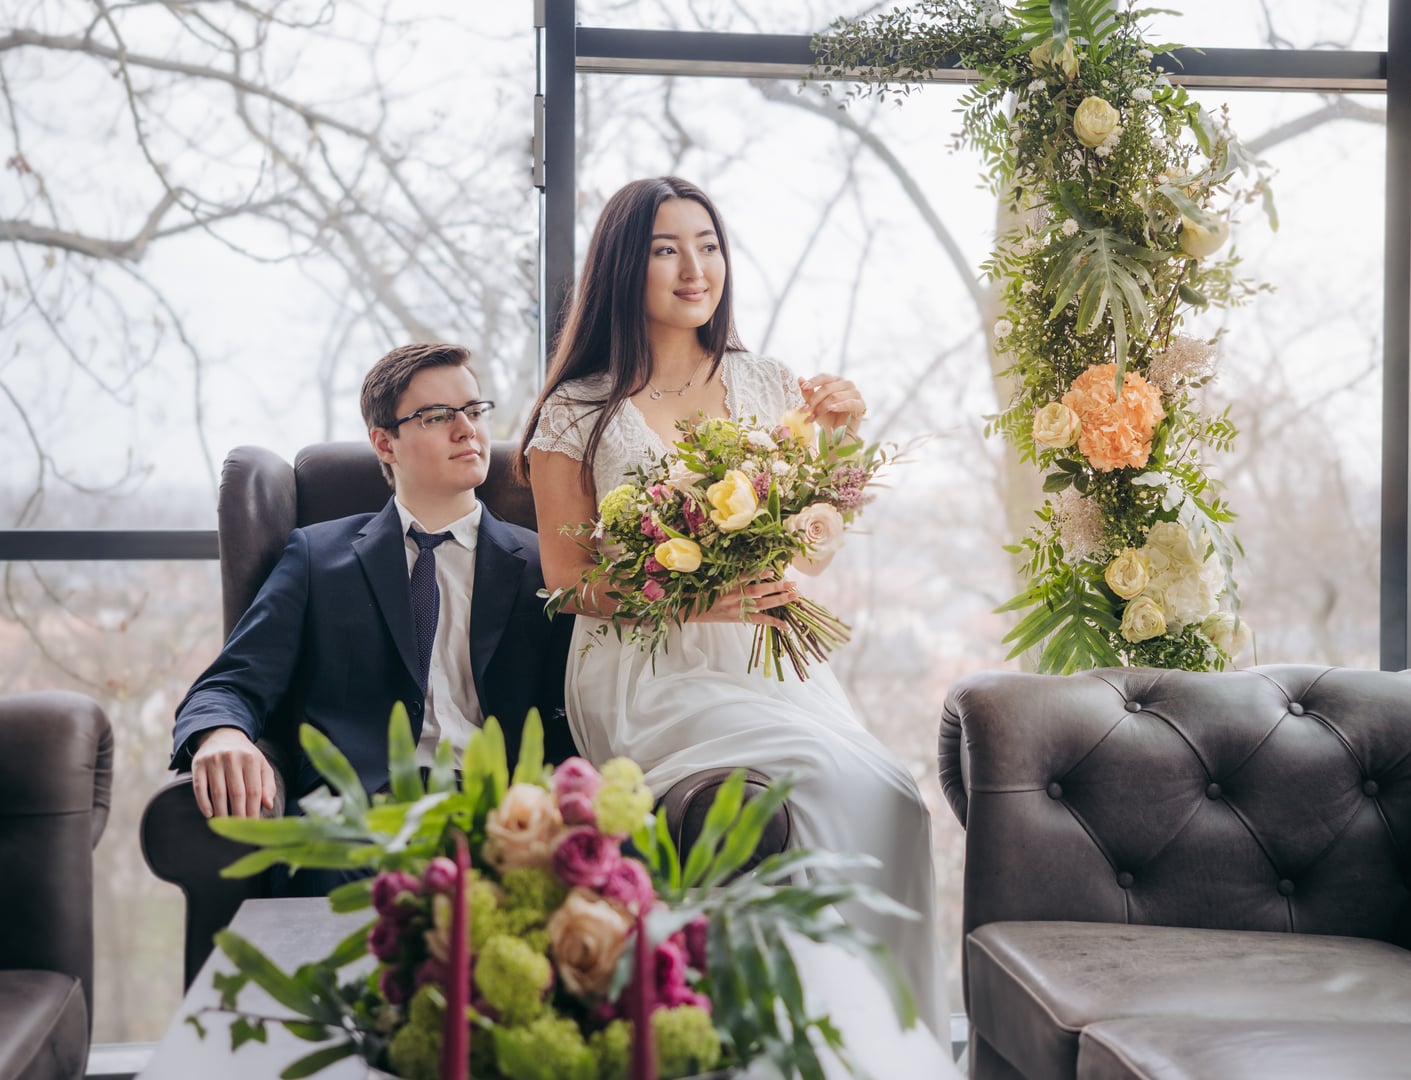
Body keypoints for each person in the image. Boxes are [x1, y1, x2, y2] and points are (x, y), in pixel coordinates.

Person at [518, 176, 951, 1050]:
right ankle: (787, 1038)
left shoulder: (768, 383)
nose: (695, 268)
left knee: (893, 797)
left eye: (708, 245)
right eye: (666, 249)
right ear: (623, 267)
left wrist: (831, 459)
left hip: (766, 653)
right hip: (643, 669)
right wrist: (694, 598)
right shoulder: (575, 411)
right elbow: (566, 583)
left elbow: (808, 548)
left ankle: (873, 1043)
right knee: (821, 779)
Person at [171, 343, 577, 843]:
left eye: (474, 410)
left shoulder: (544, 566)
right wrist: (221, 734)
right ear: (385, 444)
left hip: (506, 820)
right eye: (437, 416)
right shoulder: (317, 558)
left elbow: (579, 709)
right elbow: (230, 683)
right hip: (360, 820)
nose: (466, 429)